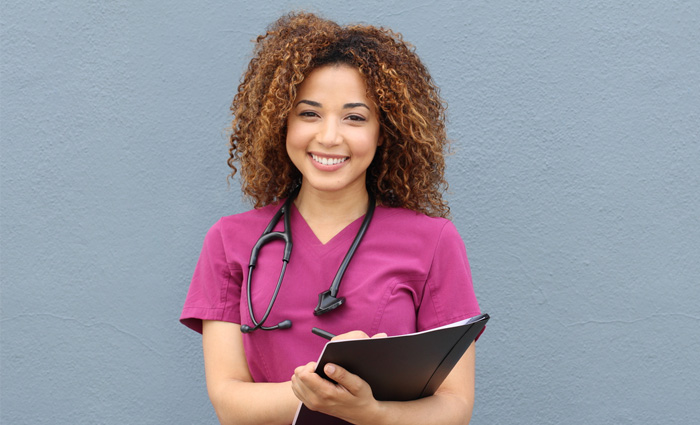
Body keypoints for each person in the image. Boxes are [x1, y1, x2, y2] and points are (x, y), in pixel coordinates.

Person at [180, 11, 482, 425]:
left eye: (355, 117)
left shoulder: (434, 241)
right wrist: (317, 391)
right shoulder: (229, 240)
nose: (329, 136)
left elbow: (455, 408)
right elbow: (229, 403)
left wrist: (370, 412)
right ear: (280, 122)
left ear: (383, 131)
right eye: (309, 113)